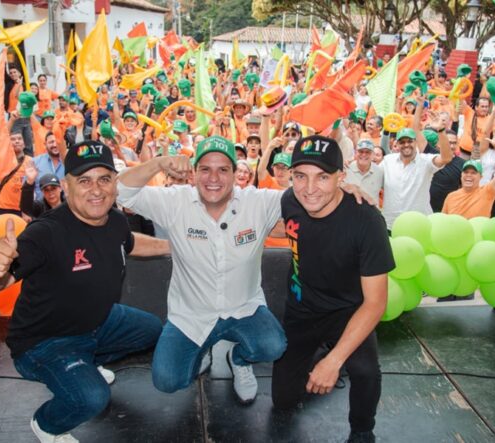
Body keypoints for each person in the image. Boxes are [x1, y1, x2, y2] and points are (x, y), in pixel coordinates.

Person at [0, 140, 168, 443]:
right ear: (66, 186)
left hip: (98, 321)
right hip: (45, 342)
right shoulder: (45, 233)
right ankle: (47, 425)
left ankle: (86, 362)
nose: (96, 189)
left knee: (151, 329)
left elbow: (129, 242)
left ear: (115, 184)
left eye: (104, 179)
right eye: (84, 181)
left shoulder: (115, 220)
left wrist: (174, 246)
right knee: (92, 398)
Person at [117, 135, 287, 405]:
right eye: (205, 169)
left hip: (244, 309)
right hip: (191, 316)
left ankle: (239, 359)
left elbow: (308, 198)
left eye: (223, 169)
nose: (214, 178)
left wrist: (343, 190)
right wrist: (159, 163)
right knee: (167, 380)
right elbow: (119, 190)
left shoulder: (258, 202)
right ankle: (202, 350)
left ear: (235, 173)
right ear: (193, 173)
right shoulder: (175, 201)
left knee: (273, 346)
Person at [272, 136, 394, 443]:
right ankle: (320, 354)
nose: (309, 188)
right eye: (301, 176)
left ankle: (362, 430)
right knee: (283, 400)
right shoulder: (290, 201)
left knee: (366, 372)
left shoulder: (367, 221)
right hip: (301, 311)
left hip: (348, 312)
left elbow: (376, 303)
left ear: (341, 176)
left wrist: (335, 361)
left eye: (323, 177)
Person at [380, 127, 452, 230]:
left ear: (416, 142)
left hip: (419, 226)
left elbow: (446, 158)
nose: (406, 145)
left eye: (410, 141)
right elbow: (374, 178)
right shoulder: (388, 161)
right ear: (397, 144)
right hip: (391, 224)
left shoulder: (426, 161)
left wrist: (441, 130)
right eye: (402, 142)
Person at [442, 131, 495, 218]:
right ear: (461, 175)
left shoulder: (487, 192)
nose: (469, 175)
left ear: (480, 177)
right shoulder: (451, 197)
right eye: (466, 172)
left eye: (473, 173)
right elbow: (443, 220)